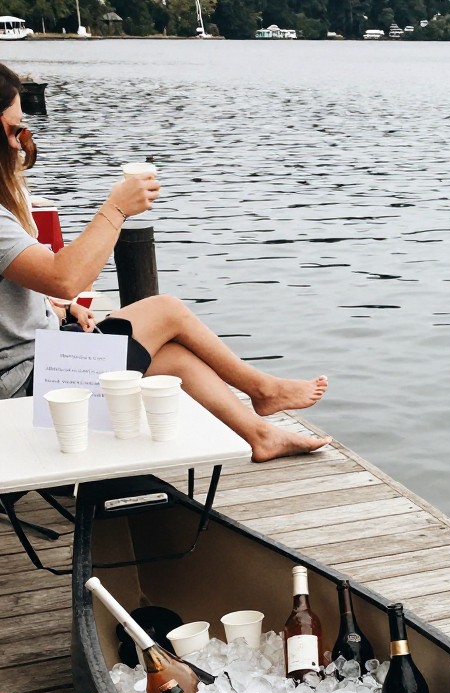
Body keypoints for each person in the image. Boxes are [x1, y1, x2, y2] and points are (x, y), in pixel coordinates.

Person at [0, 63, 330, 462]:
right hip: (25, 387)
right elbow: (65, 277)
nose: (21, 144)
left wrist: (57, 307)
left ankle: (261, 435)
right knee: (166, 310)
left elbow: (38, 286)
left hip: (36, 363)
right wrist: (116, 208)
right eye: (15, 129)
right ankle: (262, 391)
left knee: (171, 357)